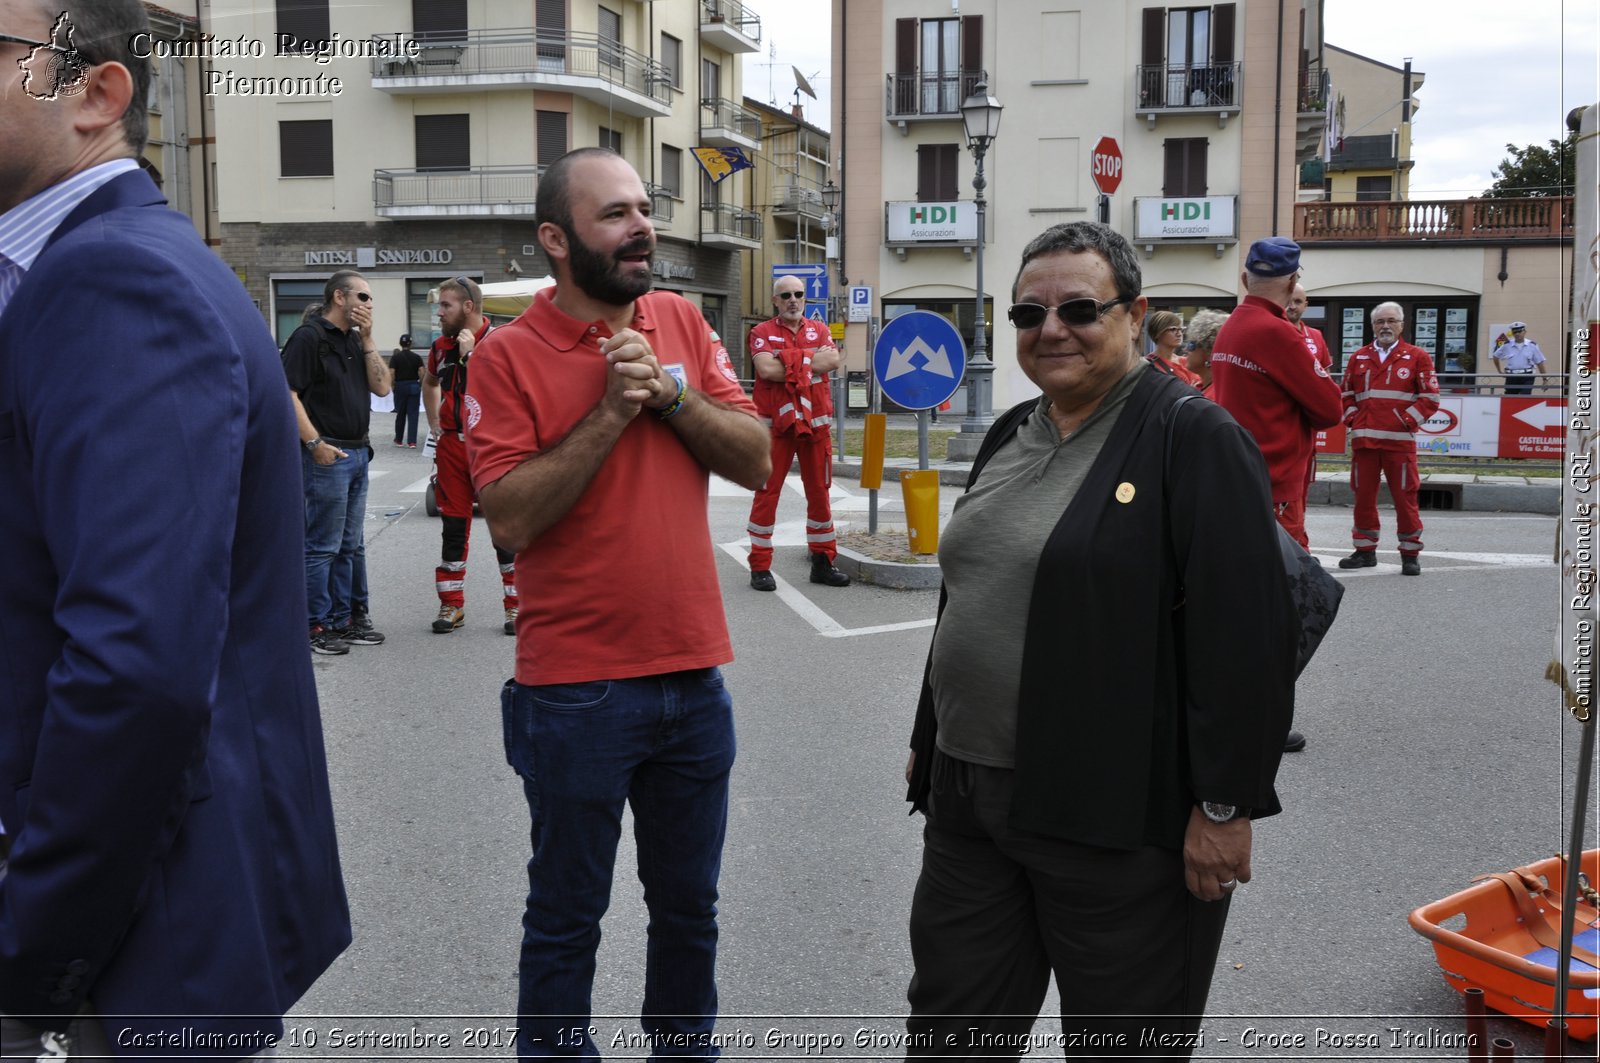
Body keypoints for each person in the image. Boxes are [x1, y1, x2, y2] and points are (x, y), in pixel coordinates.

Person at [0, 0, 350, 1054]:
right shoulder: (87, 268)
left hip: (134, 944)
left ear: (98, 95)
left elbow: (135, 667)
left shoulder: (113, 279)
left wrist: (27, 960)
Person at [903, 221, 1296, 1057]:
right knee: (950, 1033)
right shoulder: (1013, 431)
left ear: (1134, 314)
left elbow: (1247, 641)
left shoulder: (1193, 438)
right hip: (971, 804)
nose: (1051, 330)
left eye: (1080, 308)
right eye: (1027, 314)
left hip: (1120, 818)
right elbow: (970, 591)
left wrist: (1225, 806)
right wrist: (928, 739)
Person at [464, 147, 771, 1060]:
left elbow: (754, 457)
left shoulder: (679, 317)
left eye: (645, 207)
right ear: (556, 240)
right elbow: (509, 521)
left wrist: (670, 391)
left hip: (694, 677)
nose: (642, 226)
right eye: (615, 214)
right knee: (566, 918)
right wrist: (608, 410)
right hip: (576, 691)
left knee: (691, 912)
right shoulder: (505, 356)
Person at [282, 269, 392, 653]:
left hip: (358, 451)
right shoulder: (310, 337)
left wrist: (369, 338)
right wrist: (314, 444)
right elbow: (287, 393)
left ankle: (346, 618)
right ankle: (316, 625)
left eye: (370, 299)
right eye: (362, 297)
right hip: (327, 453)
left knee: (351, 545)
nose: (369, 304)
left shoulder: (353, 339)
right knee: (323, 545)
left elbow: (381, 386)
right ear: (339, 298)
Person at [1210, 237, 1343, 552]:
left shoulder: (1230, 328)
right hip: (1275, 484)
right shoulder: (1279, 332)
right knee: (1287, 585)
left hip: (1239, 475)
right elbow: (1330, 410)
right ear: (1293, 281)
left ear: (1245, 280)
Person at [422, 276, 517, 634]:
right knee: (453, 528)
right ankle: (451, 606)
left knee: (504, 530)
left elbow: (507, 392)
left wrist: (471, 357)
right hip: (451, 448)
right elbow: (429, 382)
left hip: (492, 448)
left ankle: (516, 607)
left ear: (468, 307)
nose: (438, 312)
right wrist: (435, 423)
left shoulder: (502, 341)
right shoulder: (439, 346)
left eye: (445, 305)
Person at [745, 275, 851, 590]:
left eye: (799, 294)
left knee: (820, 494)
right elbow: (765, 370)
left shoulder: (819, 329)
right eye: (786, 295)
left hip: (815, 427)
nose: (793, 299)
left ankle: (822, 563)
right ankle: (760, 567)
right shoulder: (761, 332)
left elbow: (832, 359)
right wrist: (808, 362)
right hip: (775, 429)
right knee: (767, 494)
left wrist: (789, 361)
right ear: (775, 300)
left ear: (805, 298)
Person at [1338, 301, 1440, 576]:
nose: (1385, 326)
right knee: (1363, 498)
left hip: (1399, 444)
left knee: (1405, 498)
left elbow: (1430, 398)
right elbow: (1345, 395)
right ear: (1372, 326)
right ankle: (1364, 551)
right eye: (1380, 321)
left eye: (1391, 321)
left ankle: (1409, 553)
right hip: (1365, 443)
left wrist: (1403, 421)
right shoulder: (1358, 357)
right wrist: (1353, 420)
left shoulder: (1417, 356)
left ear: (1402, 325)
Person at [1145, 309, 1204, 387]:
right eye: (1173, 329)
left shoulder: (1186, 361)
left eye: (1180, 329)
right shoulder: (1148, 365)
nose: (1179, 334)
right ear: (1158, 333)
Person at [1182, 307, 1229, 395]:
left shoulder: (1216, 394)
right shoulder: (1199, 386)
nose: (1186, 349)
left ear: (1209, 352)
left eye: (1191, 344)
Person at [1492, 321, 1546, 395]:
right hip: (1512, 376)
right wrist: (1499, 371)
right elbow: (1495, 356)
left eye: (1519, 331)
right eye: (1514, 332)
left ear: (1524, 332)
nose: (1517, 334)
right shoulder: (1507, 345)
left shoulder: (1532, 345)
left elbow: (1539, 362)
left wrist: (1545, 379)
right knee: (1510, 398)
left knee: (1525, 397)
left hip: (1527, 376)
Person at [391, 333, 424, 446]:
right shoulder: (416, 357)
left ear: (401, 343)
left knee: (400, 413)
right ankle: (412, 442)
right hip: (414, 385)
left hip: (400, 385)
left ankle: (399, 439)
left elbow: (392, 372)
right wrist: (421, 384)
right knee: (413, 414)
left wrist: (393, 385)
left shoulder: (396, 357)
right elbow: (421, 371)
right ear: (411, 344)